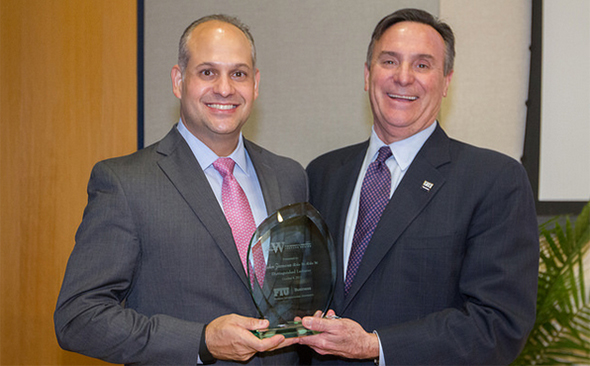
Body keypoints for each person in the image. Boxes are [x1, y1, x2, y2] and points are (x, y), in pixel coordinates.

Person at [54, 14, 307, 365]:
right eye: (207, 72)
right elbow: (78, 318)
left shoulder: (290, 176)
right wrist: (200, 341)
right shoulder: (125, 183)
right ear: (178, 80)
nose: (224, 88)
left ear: (256, 83)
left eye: (238, 73)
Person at [299, 8, 539, 365]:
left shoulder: (493, 180)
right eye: (389, 61)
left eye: (423, 65)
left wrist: (376, 346)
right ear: (368, 75)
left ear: (446, 82)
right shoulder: (322, 173)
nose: (403, 77)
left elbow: (498, 323)